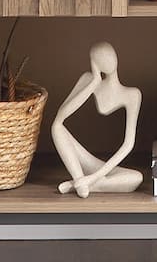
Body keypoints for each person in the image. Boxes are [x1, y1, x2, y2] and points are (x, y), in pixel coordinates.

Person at [51, 42, 143, 196]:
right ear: (94, 63)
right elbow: (61, 116)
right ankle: (80, 180)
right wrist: (94, 82)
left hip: (107, 168)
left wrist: (93, 177)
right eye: (100, 58)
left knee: (137, 178)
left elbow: (128, 145)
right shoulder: (88, 79)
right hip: (85, 159)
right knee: (56, 127)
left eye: (110, 55)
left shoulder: (132, 95)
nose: (107, 60)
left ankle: (80, 185)